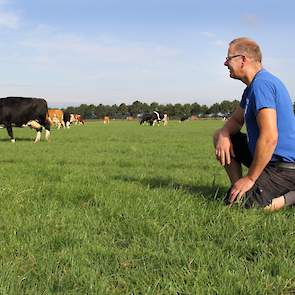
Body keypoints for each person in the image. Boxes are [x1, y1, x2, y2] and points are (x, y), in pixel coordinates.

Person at [213, 37, 295, 211]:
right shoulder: (251, 88)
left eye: (228, 58)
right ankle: (238, 189)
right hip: (267, 159)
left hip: (284, 166)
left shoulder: (262, 85)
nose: (225, 63)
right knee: (220, 135)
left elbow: (269, 137)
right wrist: (224, 134)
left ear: (243, 60)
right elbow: (236, 120)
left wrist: (250, 178)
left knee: (249, 207)